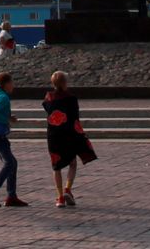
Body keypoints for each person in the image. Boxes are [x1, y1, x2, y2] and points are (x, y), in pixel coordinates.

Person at [42, 70, 97, 207]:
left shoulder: (49, 97)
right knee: (72, 163)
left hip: (54, 136)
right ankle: (68, 189)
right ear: (65, 83)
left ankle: (60, 197)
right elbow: (75, 118)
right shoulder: (71, 98)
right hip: (69, 135)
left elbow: (48, 109)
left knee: (56, 167)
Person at [0, 70, 27, 207]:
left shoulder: (1, 96)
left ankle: (11, 196)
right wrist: (4, 121)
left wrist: (8, 117)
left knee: (12, 162)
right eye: (12, 83)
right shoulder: (3, 97)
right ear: (6, 84)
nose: (13, 86)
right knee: (9, 163)